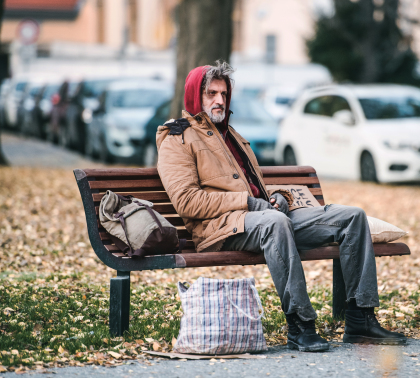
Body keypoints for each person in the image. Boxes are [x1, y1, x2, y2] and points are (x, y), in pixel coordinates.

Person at [156, 61, 406, 352]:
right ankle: (300, 325)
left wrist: (279, 198)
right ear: (193, 96)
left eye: (224, 94)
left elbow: (252, 186)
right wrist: (249, 203)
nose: (220, 101)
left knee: (351, 217)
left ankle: (360, 318)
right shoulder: (177, 137)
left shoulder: (230, 135)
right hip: (221, 228)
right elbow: (188, 202)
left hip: (261, 218)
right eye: (211, 93)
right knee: (275, 224)